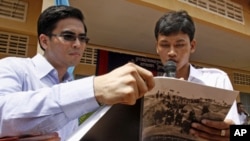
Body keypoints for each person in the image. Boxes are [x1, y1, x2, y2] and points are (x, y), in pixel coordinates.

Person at [0, 5, 155, 141]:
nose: (78, 44)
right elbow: (3, 112)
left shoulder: (70, 85)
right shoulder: (14, 67)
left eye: (82, 38)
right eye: (68, 36)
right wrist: (93, 89)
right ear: (44, 41)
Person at [154, 10, 239, 141]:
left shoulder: (217, 79)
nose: (171, 52)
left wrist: (232, 134)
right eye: (165, 45)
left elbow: (242, 133)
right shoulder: (151, 88)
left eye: (180, 45)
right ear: (157, 47)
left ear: (192, 46)